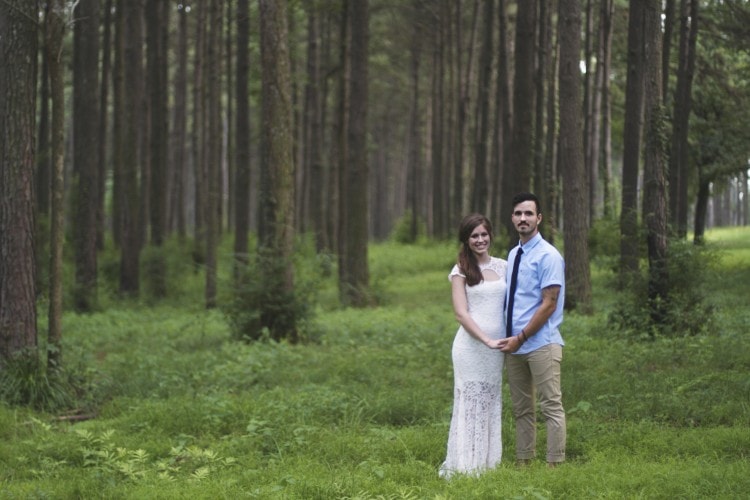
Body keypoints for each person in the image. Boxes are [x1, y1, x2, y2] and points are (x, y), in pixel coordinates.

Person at [498, 192, 566, 467]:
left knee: (551, 406)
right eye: (518, 213)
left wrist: (521, 337)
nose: (523, 218)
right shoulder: (514, 254)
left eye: (528, 213)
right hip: (514, 345)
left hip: (541, 343)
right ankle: (523, 463)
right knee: (522, 409)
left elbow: (549, 304)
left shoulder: (549, 256)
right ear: (512, 218)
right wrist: (511, 340)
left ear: (539, 218)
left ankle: (554, 465)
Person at [440, 213, 507, 479]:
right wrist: (486, 339)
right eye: (474, 236)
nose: (480, 240)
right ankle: (467, 464)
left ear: (490, 234)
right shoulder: (461, 271)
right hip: (471, 348)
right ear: (466, 240)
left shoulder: (503, 266)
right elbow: (461, 314)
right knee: (470, 401)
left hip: (496, 351)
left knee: (490, 400)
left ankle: (488, 463)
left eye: (483, 234)